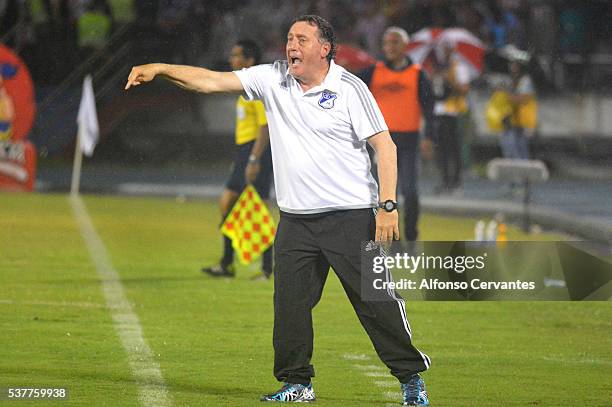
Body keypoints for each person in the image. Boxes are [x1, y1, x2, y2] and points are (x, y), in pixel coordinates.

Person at [125, 15, 430, 406]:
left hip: (352, 218)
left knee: (377, 303)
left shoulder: (351, 88)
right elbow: (210, 80)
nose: (291, 46)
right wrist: (161, 69)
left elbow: (385, 148)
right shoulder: (273, 77)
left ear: (325, 48)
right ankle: (297, 382)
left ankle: (410, 379)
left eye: (301, 39)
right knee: (289, 305)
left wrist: (388, 207)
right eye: (289, 38)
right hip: (296, 221)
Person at [200, 39, 274, 280]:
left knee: (258, 210)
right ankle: (227, 263)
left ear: (250, 61)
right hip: (245, 153)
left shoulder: (256, 91)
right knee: (227, 204)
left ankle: (265, 268)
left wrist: (254, 159)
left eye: (236, 55)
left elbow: (265, 128)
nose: (232, 60)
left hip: (256, 153)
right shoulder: (244, 90)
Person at [359, 26, 434, 245]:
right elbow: (349, 89)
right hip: (381, 143)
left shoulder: (418, 74)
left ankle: (410, 235)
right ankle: (391, 239)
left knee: (410, 192)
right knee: (383, 194)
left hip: (409, 141)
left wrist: (429, 137)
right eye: (386, 43)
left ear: (405, 46)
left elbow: (429, 108)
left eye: (394, 42)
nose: (389, 47)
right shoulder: (372, 72)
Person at [430, 41, 470, 194]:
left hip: (454, 111)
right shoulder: (439, 68)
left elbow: (464, 90)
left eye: (447, 49)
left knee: (455, 148)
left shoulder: (459, 67)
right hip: (440, 110)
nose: (443, 52)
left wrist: (451, 80)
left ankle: (456, 181)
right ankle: (445, 180)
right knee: (442, 148)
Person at [500, 60, 537, 160]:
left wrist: (508, 95)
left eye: (515, 65)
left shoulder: (525, 81)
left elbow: (523, 99)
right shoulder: (511, 81)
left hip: (524, 120)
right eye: (511, 65)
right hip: (514, 120)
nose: (512, 67)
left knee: (521, 147)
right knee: (510, 144)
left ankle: (523, 169)